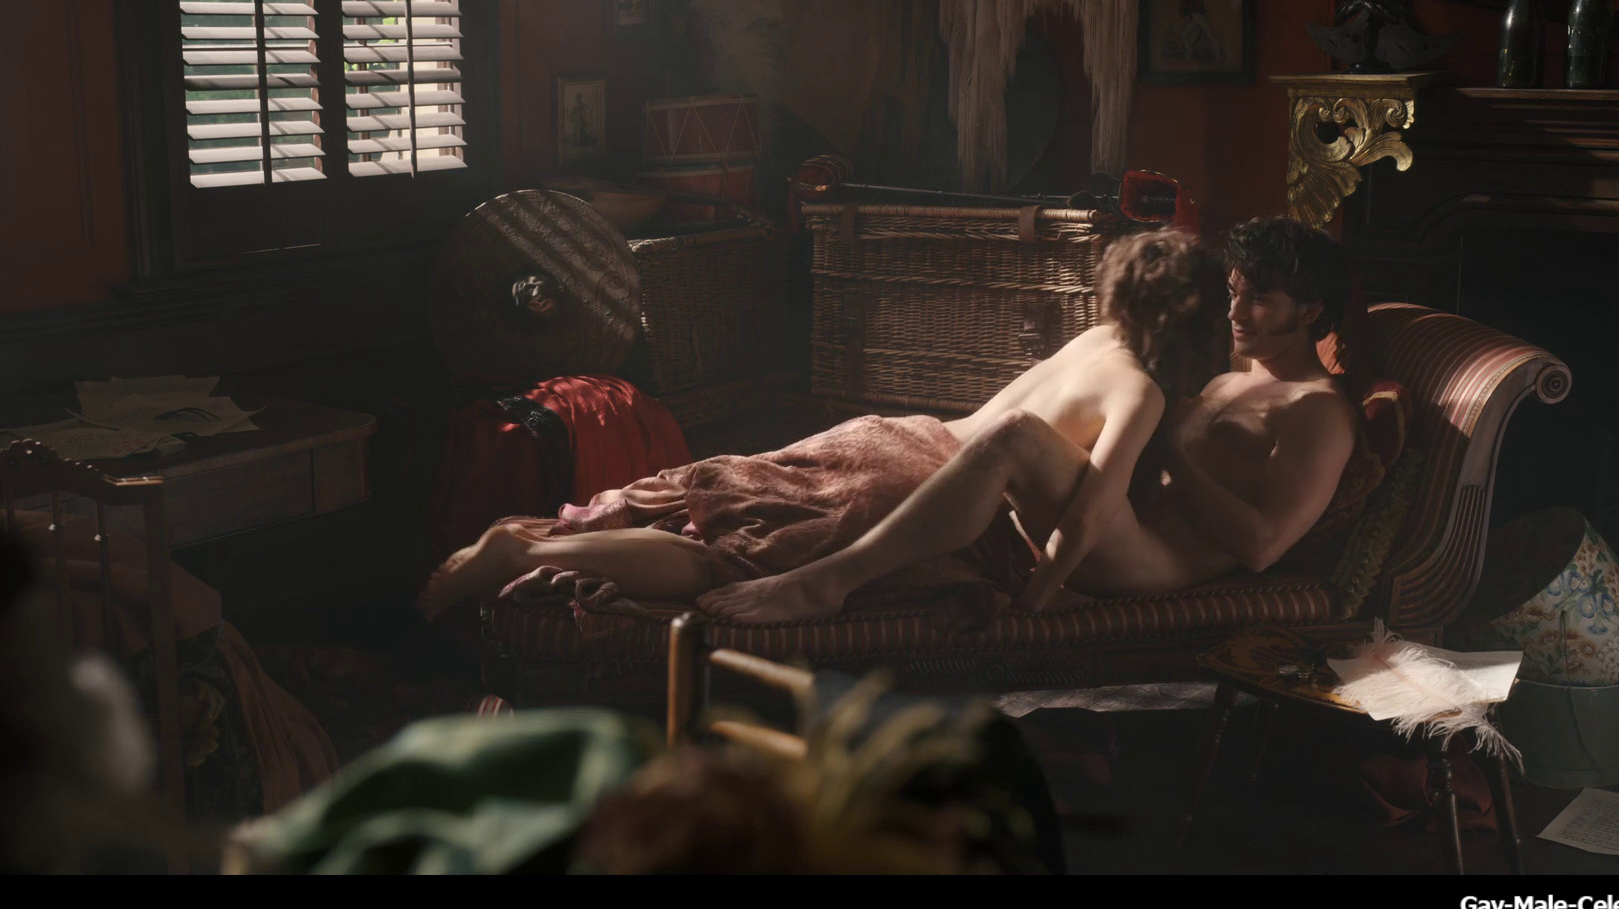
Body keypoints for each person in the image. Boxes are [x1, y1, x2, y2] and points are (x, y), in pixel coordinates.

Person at [420, 228, 1230, 621]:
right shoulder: (1140, 389)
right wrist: (1037, 604)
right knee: (729, 567)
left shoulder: (1094, 341)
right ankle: (526, 553)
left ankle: (530, 538)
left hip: (893, 436)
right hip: (925, 483)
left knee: (714, 510)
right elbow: (1087, 514)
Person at [693, 216, 1360, 622]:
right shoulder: (1233, 372)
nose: (1236, 312)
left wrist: (1172, 455)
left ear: (1310, 311)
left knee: (1016, 436)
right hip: (1103, 527)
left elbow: (1264, 547)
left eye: (1260, 300)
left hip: (1147, 562)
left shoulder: (1317, 411)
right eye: (1234, 293)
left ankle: (828, 583)